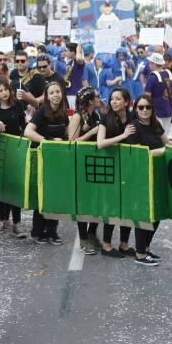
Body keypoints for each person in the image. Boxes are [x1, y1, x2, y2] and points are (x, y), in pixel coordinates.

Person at [124, 93, 168, 266]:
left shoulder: (155, 124)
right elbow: (137, 155)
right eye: (140, 107)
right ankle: (140, 253)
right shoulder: (133, 126)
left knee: (156, 215)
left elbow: (168, 144)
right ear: (136, 109)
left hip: (157, 175)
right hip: (140, 178)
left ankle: (146, 248)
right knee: (144, 216)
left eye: (147, 107)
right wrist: (161, 152)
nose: (144, 110)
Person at [24, 81, 68, 246]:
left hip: (58, 160)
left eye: (58, 92)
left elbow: (67, 135)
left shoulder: (64, 113)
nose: (55, 95)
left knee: (55, 195)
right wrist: (47, 141)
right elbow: (28, 132)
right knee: (41, 194)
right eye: (52, 93)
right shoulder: (42, 111)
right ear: (47, 97)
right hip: (41, 158)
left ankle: (52, 231)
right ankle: (37, 231)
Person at [0, 78, 27, 238]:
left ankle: (17, 223)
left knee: (15, 185)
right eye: (0, 90)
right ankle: (1, 219)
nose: (4, 93)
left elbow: (24, 127)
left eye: (6, 89)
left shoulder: (18, 105)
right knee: (0, 185)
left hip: (15, 150)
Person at [96, 87, 136, 258]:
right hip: (111, 167)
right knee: (111, 206)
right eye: (112, 99)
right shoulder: (106, 118)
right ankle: (106, 245)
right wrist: (123, 136)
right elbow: (100, 143)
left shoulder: (134, 117)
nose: (114, 102)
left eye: (118, 99)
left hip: (130, 168)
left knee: (128, 206)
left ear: (126, 102)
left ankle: (124, 244)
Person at [67, 87, 102, 254]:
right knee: (83, 202)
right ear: (89, 101)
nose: (99, 98)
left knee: (98, 200)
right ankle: (83, 238)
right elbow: (72, 141)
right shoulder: (77, 117)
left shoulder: (95, 115)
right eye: (97, 97)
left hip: (95, 161)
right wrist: (92, 133)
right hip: (80, 163)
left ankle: (92, 232)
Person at [144, 52, 172, 133]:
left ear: (154, 64)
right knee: (166, 134)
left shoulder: (152, 78)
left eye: (150, 63)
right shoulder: (170, 74)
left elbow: (147, 98)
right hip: (169, 110)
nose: (149, 64)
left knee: (157, 135)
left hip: (156, 113)